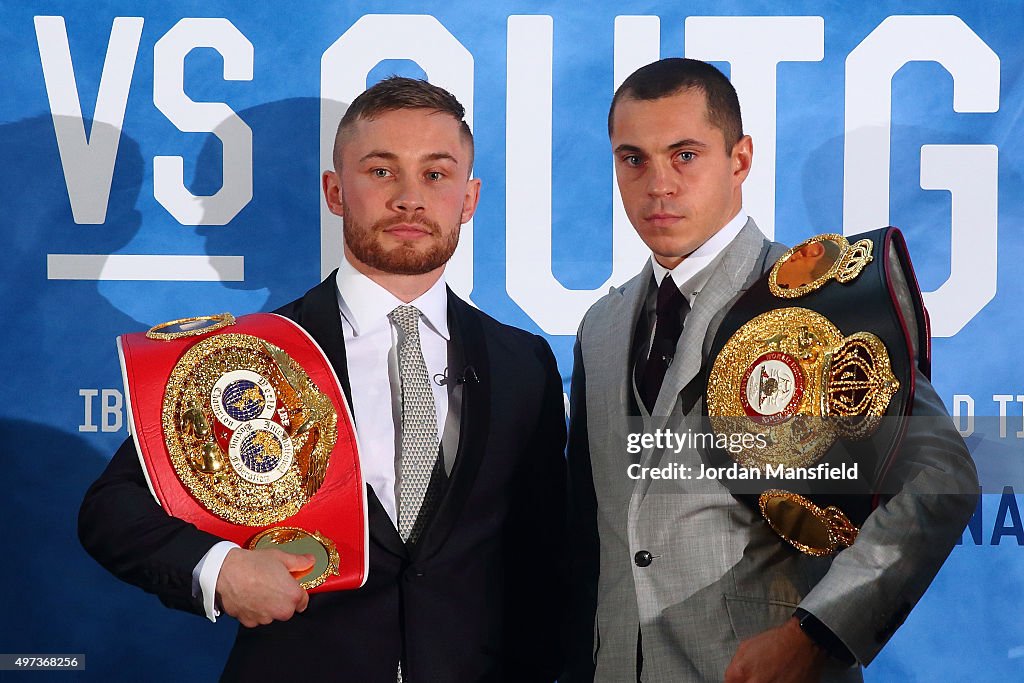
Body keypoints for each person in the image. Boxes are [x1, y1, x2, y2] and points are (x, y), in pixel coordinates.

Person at [79, 77, 567, 682]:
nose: (410, 199)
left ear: (468, 199)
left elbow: (547, 556)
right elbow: (112, 511)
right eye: (382, 172)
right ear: (336, 191)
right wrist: (222, 569)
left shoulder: (525, 362)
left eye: (436, 175)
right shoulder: (244, 356)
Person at [565, 58, 977, 683]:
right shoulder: (600, 326)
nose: (658, 185)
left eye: (684, 156)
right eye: (633, 159)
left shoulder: (820, 296)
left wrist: (817, 634)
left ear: (740, 160)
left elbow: (941, 479)